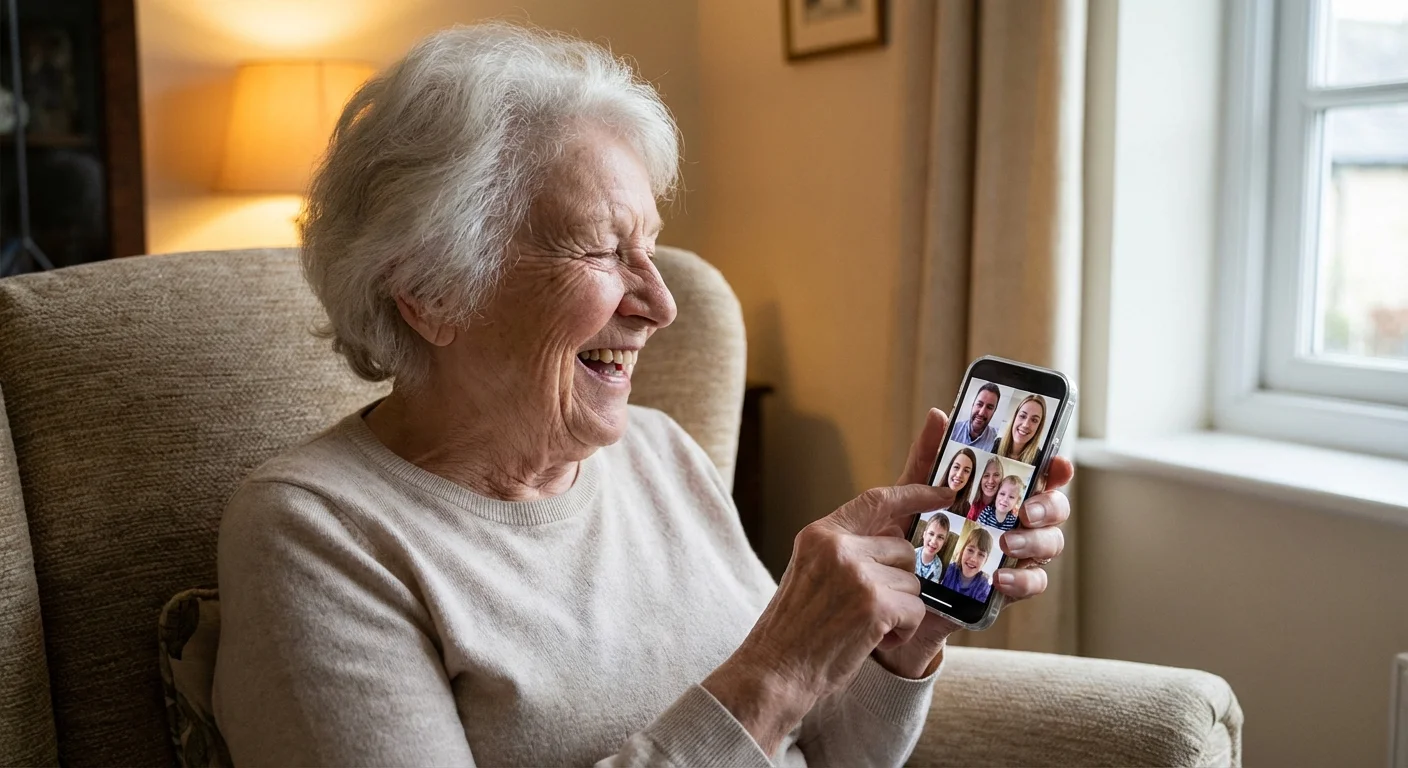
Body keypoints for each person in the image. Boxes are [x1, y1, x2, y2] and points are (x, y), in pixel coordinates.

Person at [210, 23, 1073, 768]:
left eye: (650, 248)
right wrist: (776, 667)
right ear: (434, 293)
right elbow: (765, 708)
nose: (660, 305)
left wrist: (906, 638)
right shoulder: (316, 534)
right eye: (600, 251)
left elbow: (815, 751)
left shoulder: (659, 453)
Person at [939, 528, 994, 602]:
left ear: (985, 561)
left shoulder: (983, 587)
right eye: (970, 550)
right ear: (963, 551)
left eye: (981, 554)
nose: (973, 559)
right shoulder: (950, 570)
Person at [995, 394, 1047, 465]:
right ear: (1015, 418)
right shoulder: (996, 444)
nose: (1025, 425)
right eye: (1022, 416)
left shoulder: (1041, 459)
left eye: (1034, 420)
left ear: (1039, 427)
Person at [950, 383, 1000, 452]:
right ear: (973, 404)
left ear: (994, 411)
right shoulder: (953, 429)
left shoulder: (995, 441)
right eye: (979, 404)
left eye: (989, 407)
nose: (981, 413)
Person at [934, 447, 977, 516]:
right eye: (956, 467)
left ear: (970, 477)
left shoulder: (967, 509)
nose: (959, 474)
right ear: (949, 469)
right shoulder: (931, 494)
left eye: (966, 471)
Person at [913, 515, 950, 582]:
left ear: (944, 543)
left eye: (940, 537)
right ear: (924, 534)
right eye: (931, 534)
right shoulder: (913, 554)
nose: (933, 541)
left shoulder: (938, 566)